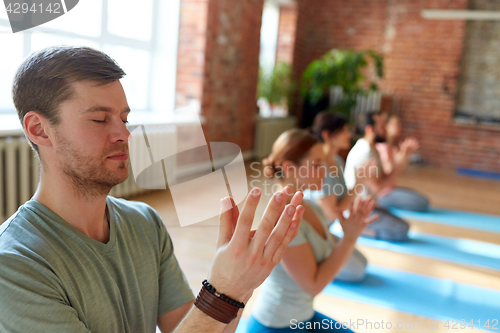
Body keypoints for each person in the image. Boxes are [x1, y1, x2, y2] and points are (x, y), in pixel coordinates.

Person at [0, 46, 306, 333]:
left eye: (124, 118)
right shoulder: (14, 265)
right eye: (99, 119)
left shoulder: (144, 222)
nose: (124, 134)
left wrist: (238, 284)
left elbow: (192, 325)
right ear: (39, 130)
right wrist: (222, 292)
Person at [247, 129, 377, 333]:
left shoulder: (310, 206)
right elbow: (313, 285)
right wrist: (350, 238)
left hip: (304, 316)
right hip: (277, 324)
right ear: (290, 168)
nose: (324, 171)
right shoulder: (284, 220)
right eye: (316, 165)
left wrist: (350, 230)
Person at [303, 112, 370, 283]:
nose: (349, 134)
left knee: (363, 263)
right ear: (327, 135)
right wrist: (358, 184)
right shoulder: (321, 167)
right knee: (358, 271)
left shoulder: (338, 161)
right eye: (344, 131)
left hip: (327, 231)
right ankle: (310, 260)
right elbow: (333, 213)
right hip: (315, 232)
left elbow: (343, 203)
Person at [344, 112, 410, 241]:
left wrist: (403, 158)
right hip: (358, 210)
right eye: (382, 126)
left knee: (405, 226)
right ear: (370, 129)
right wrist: (401, 162)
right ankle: (356, 231)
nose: (386, 130)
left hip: (371, 204)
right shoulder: (365, 153)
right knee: (401, 231)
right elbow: (378, 188)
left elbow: (385, 177)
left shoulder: (372, 148)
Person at [375, 115, 429, 212]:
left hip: (390, 189)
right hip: (383, 193)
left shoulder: (392, 147)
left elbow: (398, 165)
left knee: (422, 200)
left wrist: (406, 153)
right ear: (386, 126)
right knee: (422, 202)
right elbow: (390, 171)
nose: (399, 127)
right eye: (396, 124)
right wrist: (404, 153)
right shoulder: (382, 147)